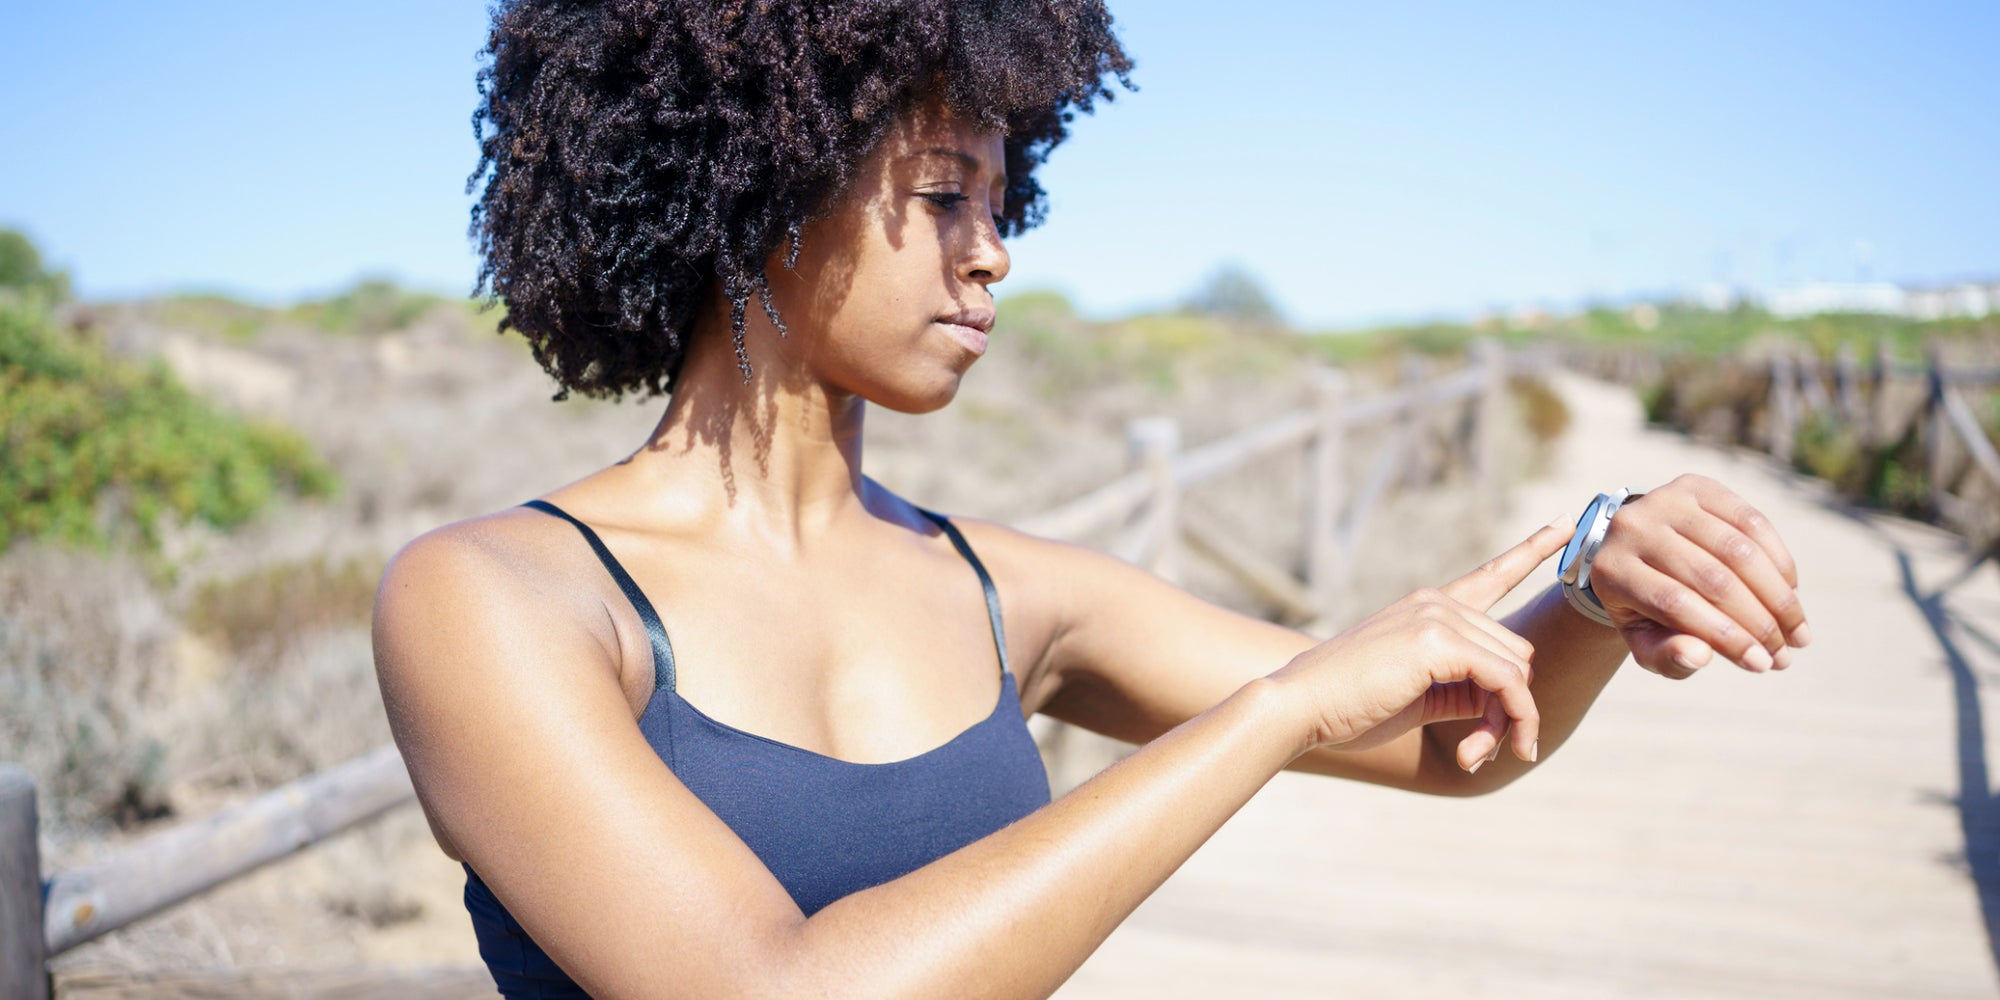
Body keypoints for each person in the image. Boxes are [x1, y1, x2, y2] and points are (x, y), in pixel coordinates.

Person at [370, 2, 1810, 996]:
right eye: (944, 196)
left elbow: (1455, 742)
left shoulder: (1007, 592)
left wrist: (1598, 588)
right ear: (761, 185)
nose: (994, 253)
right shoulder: (496, 599)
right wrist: (1276, 713)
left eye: (1003, 203)